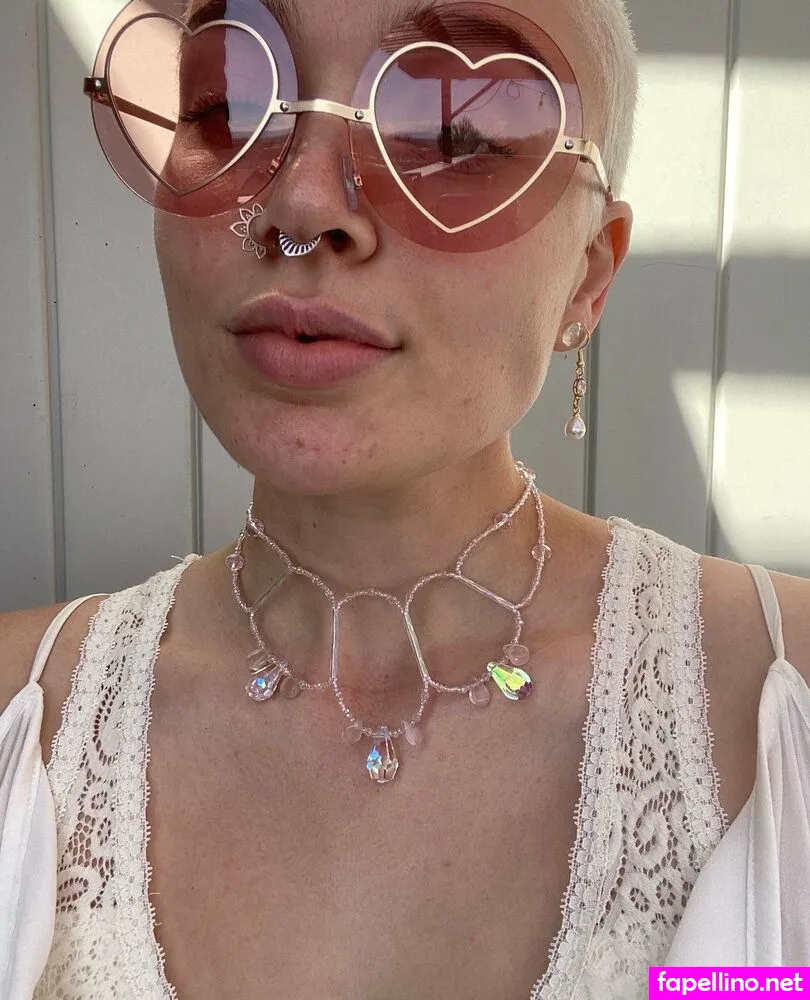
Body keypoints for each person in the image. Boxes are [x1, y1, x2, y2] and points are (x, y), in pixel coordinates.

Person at [1, 0, 809, 997]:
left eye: (453, 130)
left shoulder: (785, 701)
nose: (301, 204)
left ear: (588, 277)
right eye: (230, 106)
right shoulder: (16, 723)